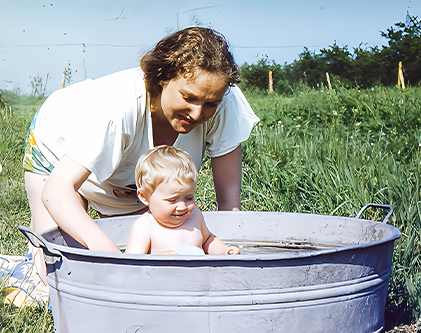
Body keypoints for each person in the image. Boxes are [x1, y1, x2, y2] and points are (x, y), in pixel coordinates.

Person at [22, 27, 258, 277]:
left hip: (127, 176)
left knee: (152, 244)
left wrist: (230, 262)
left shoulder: (223, 100)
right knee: (56, 269)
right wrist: (116, 262)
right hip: (59, 148)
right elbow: (57, 192)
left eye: (210, 103)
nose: (197, 113)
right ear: (162, 79)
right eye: (188, 97)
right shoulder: (118, 108)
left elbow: (230, 206)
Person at [123, 146, 240, 255]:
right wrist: (161, 258)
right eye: (172, 200)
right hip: (161, 276)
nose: (182, 207)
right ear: (144, 197)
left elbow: (208, 240)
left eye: (189, 198)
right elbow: (132, 264)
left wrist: (224, 250)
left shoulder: (195, 216)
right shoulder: (145, 225)